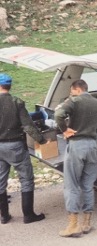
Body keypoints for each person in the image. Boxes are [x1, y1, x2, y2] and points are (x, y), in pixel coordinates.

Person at [54, 79, 97, 237]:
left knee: (72, 185)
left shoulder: (74, 101)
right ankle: (86, 223)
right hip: (92, 146)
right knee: (88, 186)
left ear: (76, 89)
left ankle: (73, 225)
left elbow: (58, 114)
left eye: (71, 91)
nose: (71, 94)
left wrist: (65, 130)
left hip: (77, 146)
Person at [0, 73, 48, 225]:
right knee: (26, 179)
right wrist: (41, 139)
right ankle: (28, 215)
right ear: (9, 86)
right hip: (16, 146)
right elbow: (28, 125)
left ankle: (4, 216)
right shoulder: (17, 102)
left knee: (0, 181)